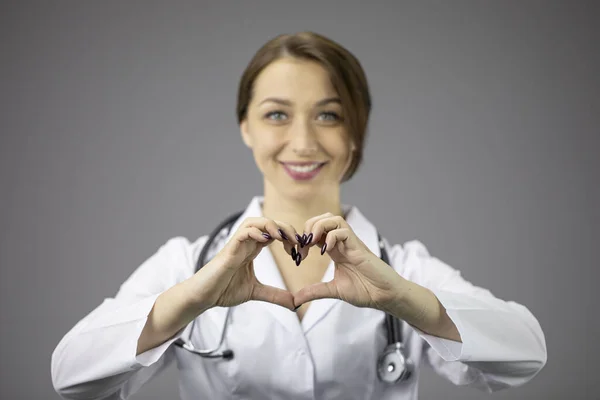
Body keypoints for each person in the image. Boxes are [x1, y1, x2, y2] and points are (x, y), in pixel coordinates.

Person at [51, 32, 547, 400]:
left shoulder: (403, 268)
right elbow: (70, 376)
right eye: (276, 114)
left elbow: (525, 354)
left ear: (357, 132)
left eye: (328, 115)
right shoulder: (188, 264)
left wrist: (404, 300)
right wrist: (189, 300)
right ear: (245, 125)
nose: (304, 142)